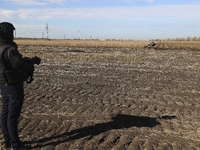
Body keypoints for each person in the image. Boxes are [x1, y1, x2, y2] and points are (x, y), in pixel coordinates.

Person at [0, 22, 41, 150]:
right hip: (13, 87)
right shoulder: (10, 50)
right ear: (8, 33)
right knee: (12, 115)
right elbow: (21, 67)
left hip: (3, 85)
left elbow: (13, 64)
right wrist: (33, 61)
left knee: (5, 113)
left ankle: (7, 141)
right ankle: (15, 145)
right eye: (12, 33)